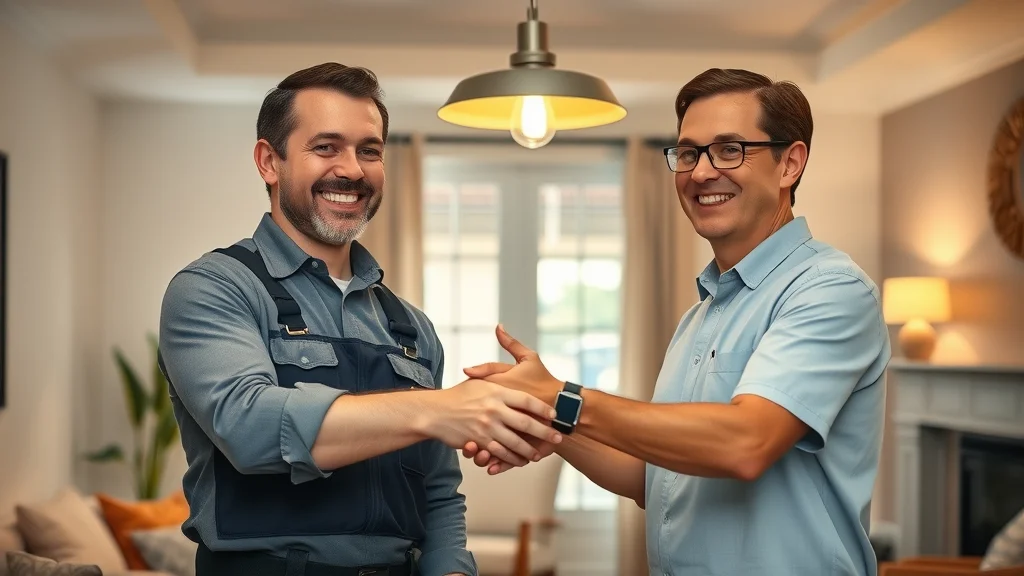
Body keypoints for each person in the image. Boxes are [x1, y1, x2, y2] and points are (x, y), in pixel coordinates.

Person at [462, 68, 892, 576]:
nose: (702, 172)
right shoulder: (701, 315)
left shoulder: (830, 289)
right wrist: (543, 417)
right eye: (688, 153)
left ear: (789, 164)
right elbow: (653, 478)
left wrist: (562, 398)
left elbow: (745, 442)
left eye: (730, 149)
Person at [157, 62, 563, 576]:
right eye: (326, 147)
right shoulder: (216, 289)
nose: (351, 169)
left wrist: (453, 569)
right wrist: (438, 409)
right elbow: (250, 427)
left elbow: (437, 492)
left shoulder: (412, 329)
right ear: (269, 161)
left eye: (369, 151)